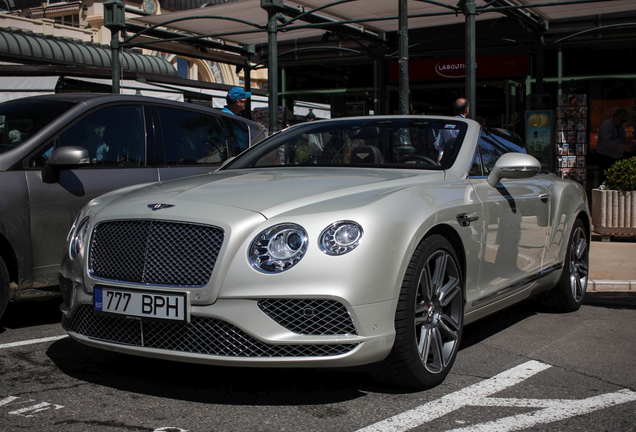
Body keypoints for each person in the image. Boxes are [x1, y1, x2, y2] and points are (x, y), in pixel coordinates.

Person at [596, 108, 634, 185]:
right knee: (605, 178)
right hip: (605, 155)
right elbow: (608, 142)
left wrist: (627, 146)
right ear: (616, 117)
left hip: (616, 155)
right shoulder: (607, 125)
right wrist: (623, 147)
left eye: (625, 121)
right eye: (622, 120)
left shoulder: (621, 127)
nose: (623, 123)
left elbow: (621, 139)